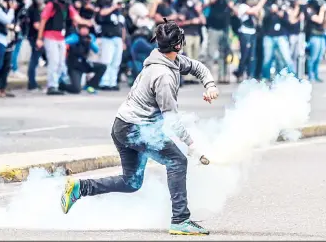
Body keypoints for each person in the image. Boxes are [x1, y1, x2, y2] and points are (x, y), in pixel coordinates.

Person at [60, 19, 219, 236]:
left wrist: (209, 85)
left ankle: (80, 188)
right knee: (177, 160)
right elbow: (171, 119)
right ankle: (180, 219)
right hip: (134, 129)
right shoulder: (162, 75)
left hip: (123, 125)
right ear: (178, 45)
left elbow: (198, 67)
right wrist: (192, 145)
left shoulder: (169, 60)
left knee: (131, 181)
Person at [36, 0, 93, 95]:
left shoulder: (68, 7)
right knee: (54, 61)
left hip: (61, 38)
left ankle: (59, 84)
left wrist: (88, 22)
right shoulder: (51, 5)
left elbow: (77, 18)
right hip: (50, 36)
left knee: (61, 63)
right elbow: (43, 21)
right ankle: (52, 86)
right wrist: (39, 38)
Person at [204, 0, 236, 83]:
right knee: (211, 53)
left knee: (224, 53)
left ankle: (223, 76)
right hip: (214, 27)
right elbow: (211, 1)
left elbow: (235, 9)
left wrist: (231, 4)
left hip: (225, 27)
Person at [232, 0, 268, 82]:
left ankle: (250, 74)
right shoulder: (243, 6)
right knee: (245, 54)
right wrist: (262, 1)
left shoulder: (254, 7)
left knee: (252, 55)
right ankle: (240, 72)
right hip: (245, 32)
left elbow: (259, 16)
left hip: (253, 32)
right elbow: (252, 12)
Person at [60, 25, 106, 94]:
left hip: (84, 64)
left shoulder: (90, 37)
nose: (85, 31)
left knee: (102, 67)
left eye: (86, 29)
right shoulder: (75, 37)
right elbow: (65, 42)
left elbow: (96, 50)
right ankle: (61, 86)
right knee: (76, 89)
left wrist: (90, 42)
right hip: (75, 66)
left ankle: (90, 85)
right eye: (83, 29)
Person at [95, 0, 127, 91]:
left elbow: (123, 28)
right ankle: (104, 82)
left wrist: (123, 41)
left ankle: (112, 82)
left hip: (118, 39)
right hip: (107, 38)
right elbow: (101, 13)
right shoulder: (107, 9)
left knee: (116, 62)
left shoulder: (120, 15)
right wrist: (113, 7)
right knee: (106, 60)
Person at [261, 0, 294, 81]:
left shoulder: (285, 9)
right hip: (269, 36)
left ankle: (292, 77)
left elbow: (289, 24)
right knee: (267, 59)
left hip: (281, 36)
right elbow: (264, 20)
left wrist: (282, 15)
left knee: (287, 58)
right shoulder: (268, 7)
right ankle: (265, 77)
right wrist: (271, 11)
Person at [305, 0, 326, 82]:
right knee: (313, 57)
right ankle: (310, 76)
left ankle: (316, 75)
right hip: (314, 37)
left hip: (321, 36)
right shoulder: (310, 11)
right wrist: (322, 10)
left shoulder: (320, 12)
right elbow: (319, 20)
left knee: (319, 57)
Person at [27, 0, 46, 91]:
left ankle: (33, 82)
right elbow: (37, 25)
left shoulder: (40, 9)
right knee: (34, 60)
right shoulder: (34, 9)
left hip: (39, 37)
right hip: (35, 37)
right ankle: (32, 83)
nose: (40, 0)